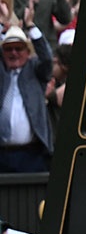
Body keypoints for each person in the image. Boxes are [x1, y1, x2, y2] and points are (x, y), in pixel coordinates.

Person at [0, 21, 52, 173]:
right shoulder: (2, 74)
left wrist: (31, 26)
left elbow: (47, 59)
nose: (14, 53)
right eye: (8, 49)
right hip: (1, 155)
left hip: (32, 154)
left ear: (27, 52)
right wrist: (2, 28)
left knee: (31, 196)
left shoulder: (36, 71)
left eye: (19, 48)